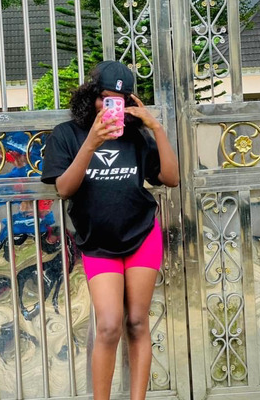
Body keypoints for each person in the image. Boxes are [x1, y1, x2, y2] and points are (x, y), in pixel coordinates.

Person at [41, 60, 179, 400]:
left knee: (137, 322)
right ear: (91, 96)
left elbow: (172, 179)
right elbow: (64, 189)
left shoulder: (137, 137)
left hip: (141, 235)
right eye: (105, 98)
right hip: (98, 242)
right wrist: (91, 142)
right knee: (108, 325)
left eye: (119, 100)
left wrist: (156, 128)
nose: (110, 105)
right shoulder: (67, 135)